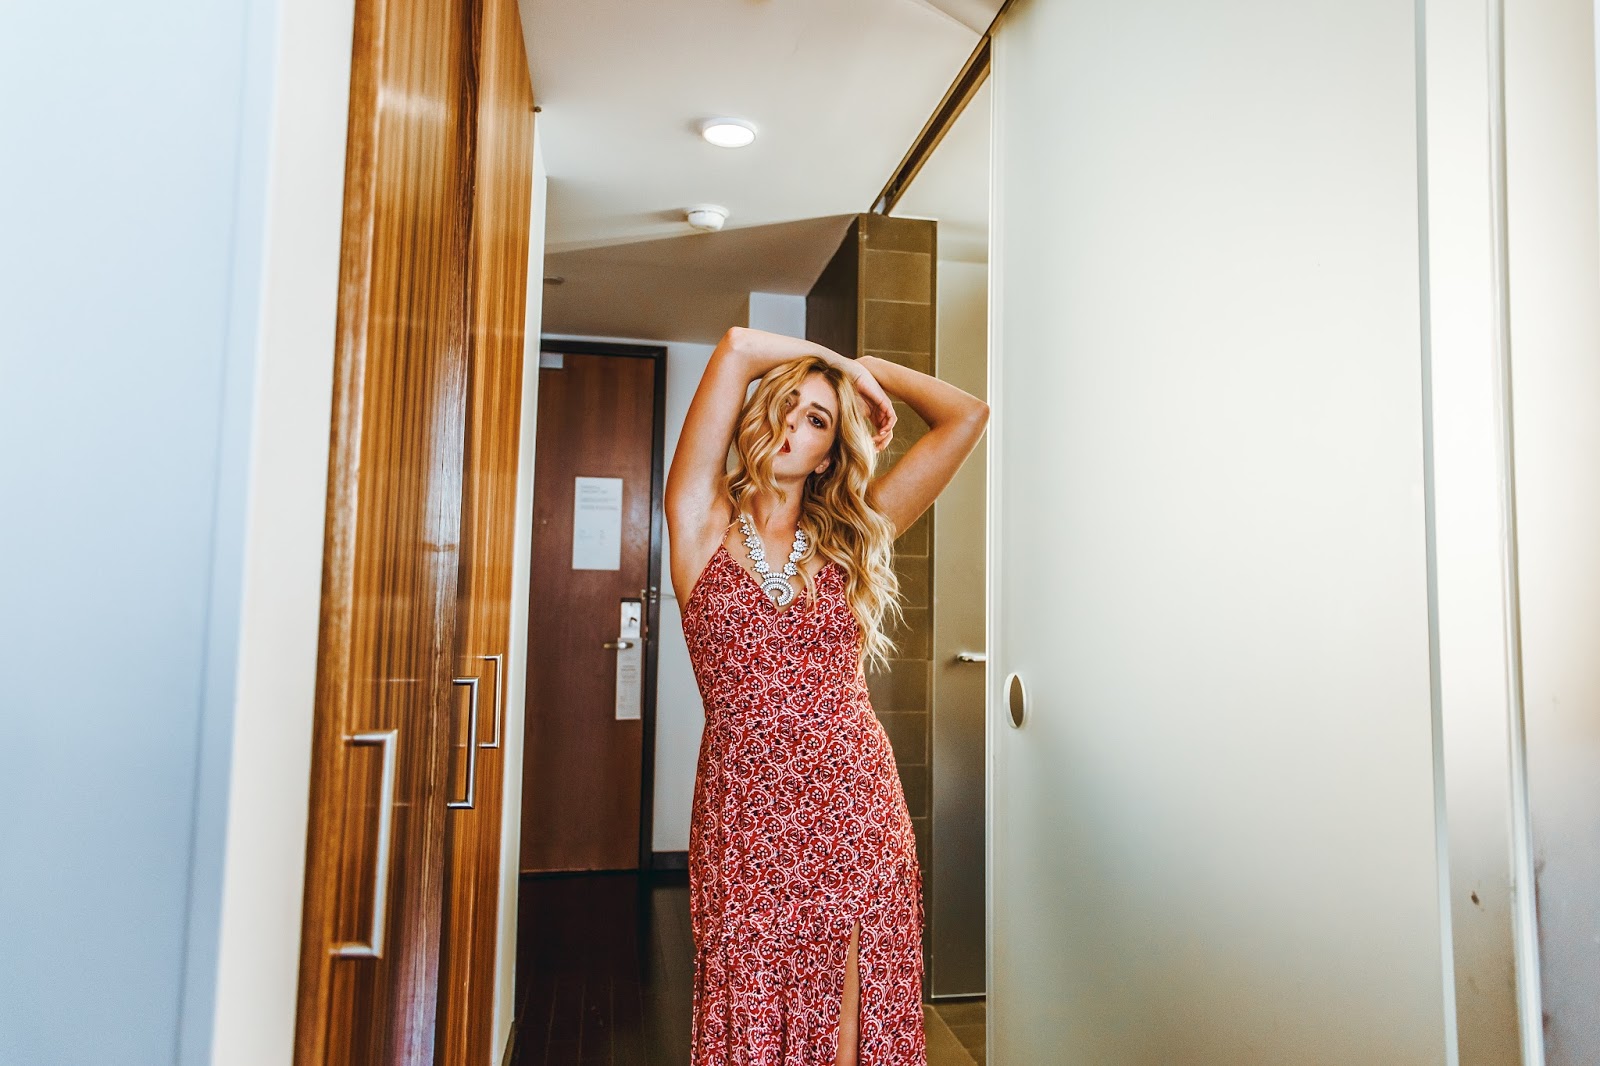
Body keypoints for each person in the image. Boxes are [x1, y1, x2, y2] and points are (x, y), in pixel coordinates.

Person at [665, 326, 989, 1066]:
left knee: (849, 1026)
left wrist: (873, 370)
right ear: (754, 415)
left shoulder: (853, 535)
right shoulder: (700, 524)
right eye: (785, 404)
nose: (792, 425)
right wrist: (840, 365)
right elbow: (738, 347)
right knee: (749, 1006)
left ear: (829, 453)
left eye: (816, 419)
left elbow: (967, 416)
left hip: (854, 805)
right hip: (744, 814)